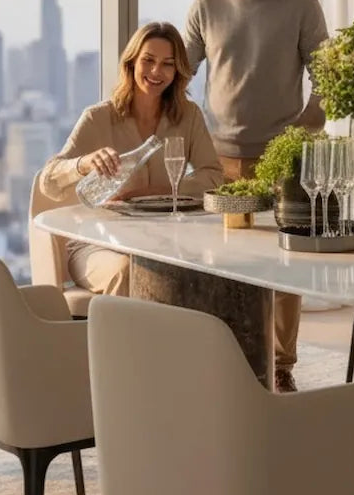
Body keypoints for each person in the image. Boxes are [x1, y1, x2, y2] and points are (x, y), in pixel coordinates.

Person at [185, 0, 329, 393]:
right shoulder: (206, 3)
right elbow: (178, 73)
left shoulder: (302, 6)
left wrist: (300, 136)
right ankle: (226, 362)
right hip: (219, 156)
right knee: (223, 261)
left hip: (281, 157)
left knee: (282, 263)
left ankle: (281, 365)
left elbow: (327, 79)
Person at [40, 21, 223, 296]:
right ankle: (120, 341)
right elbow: (49, 182)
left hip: (164, 241)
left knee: (212, 274)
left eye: (167, 64)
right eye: (148, 60)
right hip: (98, 243)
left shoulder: (188, 116)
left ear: (178, 71)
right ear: (131, 63)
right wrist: (84, 163)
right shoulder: (98, 117)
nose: (156, 72)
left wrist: (155, 192)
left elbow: (213, 176)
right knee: (127, 271)